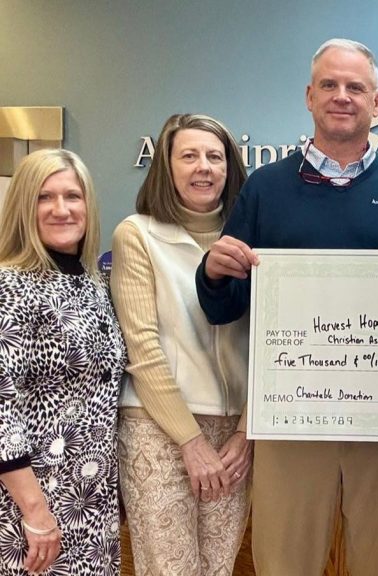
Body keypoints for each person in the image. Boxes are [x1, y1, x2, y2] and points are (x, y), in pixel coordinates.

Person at [195, 38, 378, 576]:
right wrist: (212, 274)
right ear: (309, 96)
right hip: (291, 414)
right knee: (285, 560)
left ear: (377, 103)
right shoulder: (264, 188)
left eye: (355, 87)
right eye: (329, 84)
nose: (341, 96)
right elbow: (226, 306)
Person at [112, 113, 250, 575]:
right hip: (159, 429)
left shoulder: (249, 240)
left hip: (233, 436)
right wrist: (190, 441)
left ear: (229, 167)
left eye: (214, 156)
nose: (203, 167)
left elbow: (271, 343)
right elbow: (142, 349)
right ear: (166, 167)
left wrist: (247, 433)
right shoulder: (137, 234)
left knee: (218, 569)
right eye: (189, 156)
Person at [0, 149, 126, 575]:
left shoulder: (93, 282)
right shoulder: (10, 285)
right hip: (32, 505)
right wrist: (35, 512)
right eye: (44, 197)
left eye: (72, 196)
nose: (61, 209)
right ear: (23, 206)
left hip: (91, 502)